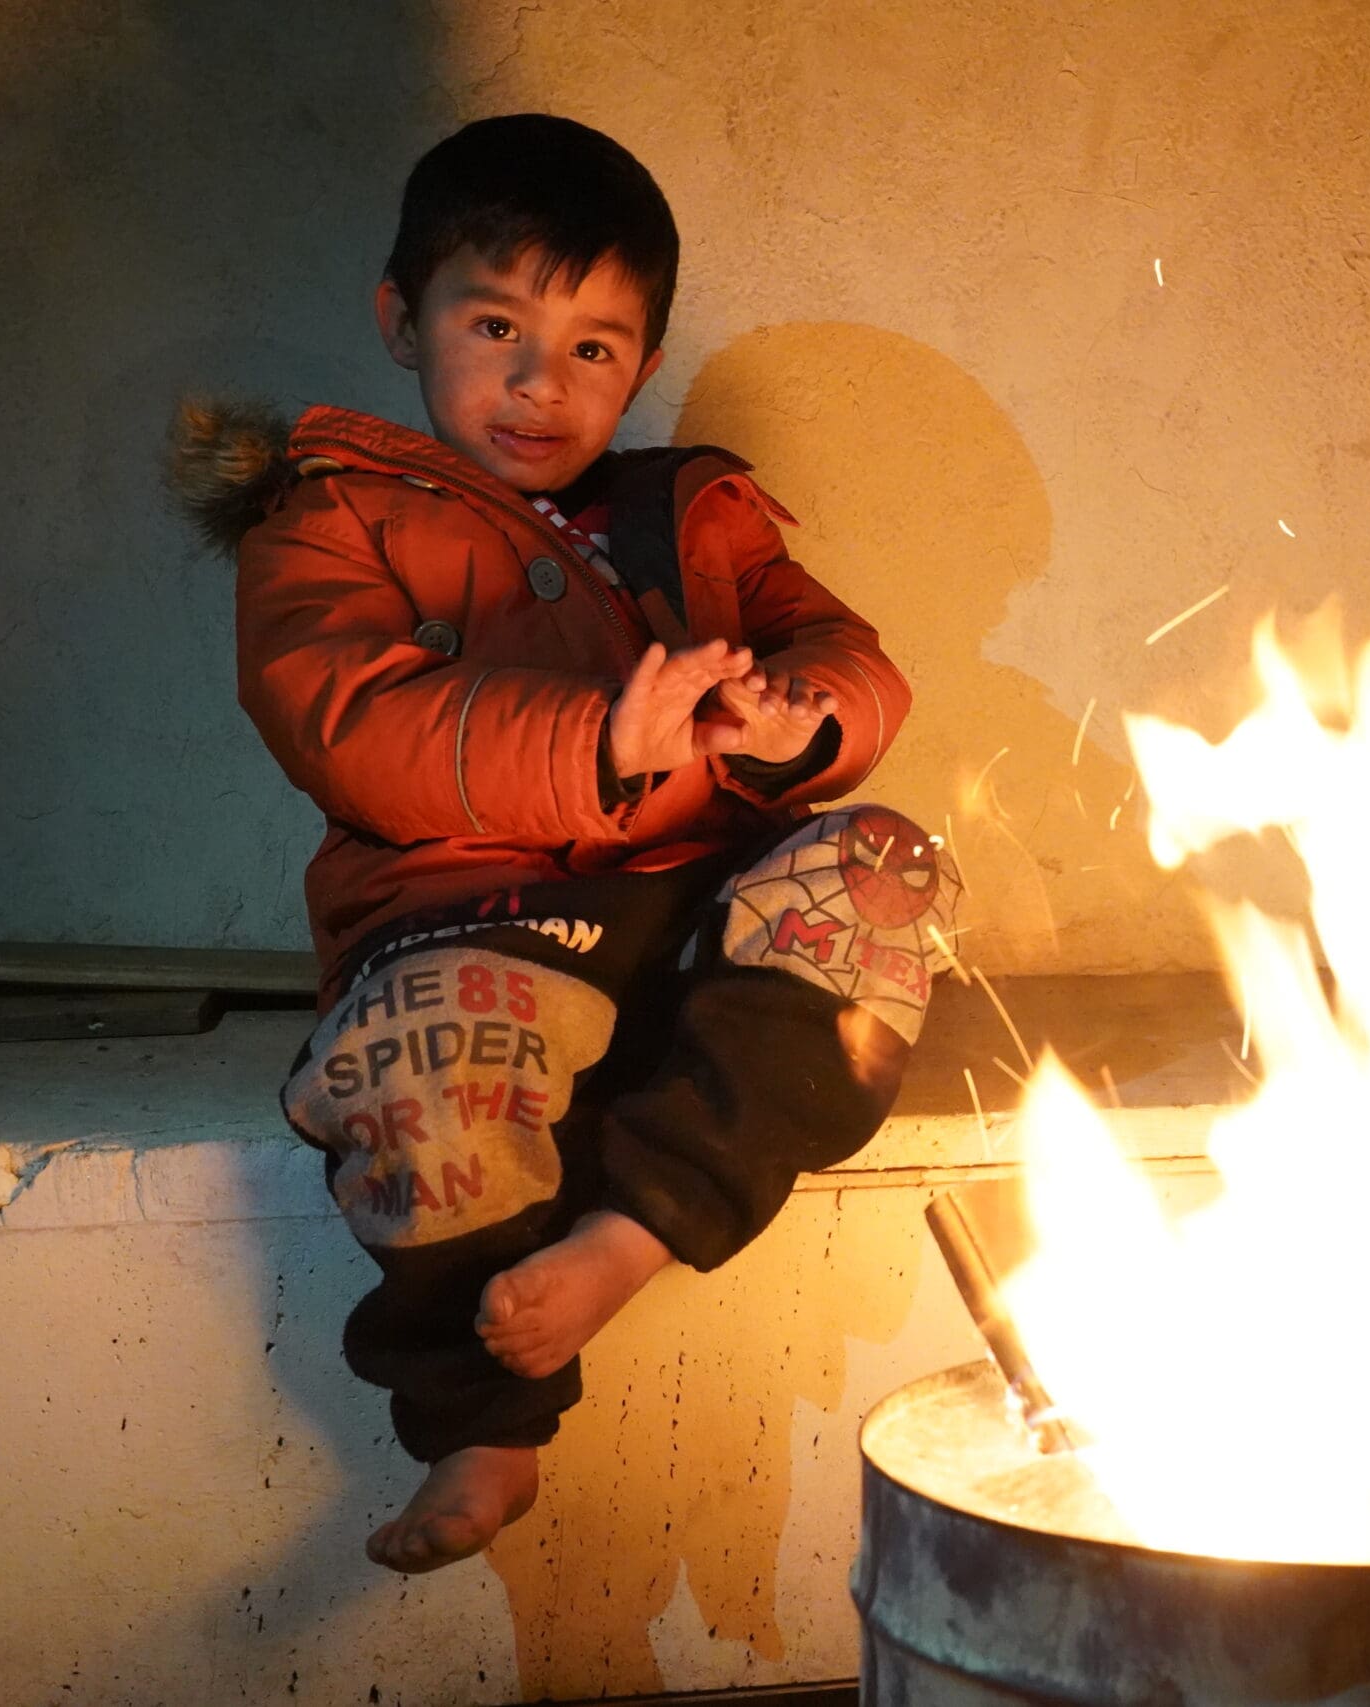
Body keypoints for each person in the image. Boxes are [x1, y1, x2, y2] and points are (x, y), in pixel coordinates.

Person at [171, 113, 957, 1574]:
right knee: (405, 1071)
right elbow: (352, 724)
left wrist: (798, 724)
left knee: (885, 871)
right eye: (497, 327)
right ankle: (489, 1423)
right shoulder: (331, 522)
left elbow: (845, 660)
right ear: (402, 320)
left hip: (694, 917)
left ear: (644, 365)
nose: (544, 384)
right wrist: (601, 742)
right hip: (475, 922)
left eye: (596, 348)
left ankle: (646, 1226)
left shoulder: (696, 515)